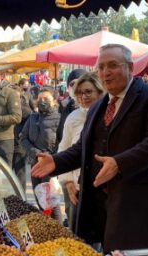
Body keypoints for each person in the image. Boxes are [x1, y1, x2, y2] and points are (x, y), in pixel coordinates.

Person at [31, 44, 148, 252]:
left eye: (113, 66)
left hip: (140, 205)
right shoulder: (98, 107)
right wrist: (56, 161)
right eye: (101, 67)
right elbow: (83, 147)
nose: (105, 73)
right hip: (103, 206)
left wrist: (119, 163)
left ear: (130, 67)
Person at [57, 72, 104, 232]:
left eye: (88, 91)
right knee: (78, 233)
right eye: (80, 93)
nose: (84, 96)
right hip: (76, 188)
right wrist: (68, 182)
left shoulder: (108, 116)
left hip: (102, 188)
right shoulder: (73, 118)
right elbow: (64, 149)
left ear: (99, 91)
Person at [20, 87, 61, 193]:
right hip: (34, 163)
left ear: (54, 101)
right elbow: (23, 138)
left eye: (46, 98)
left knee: (50, 200)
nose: (42, 101)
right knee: (38, 196)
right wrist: (37, 154)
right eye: (39, 99)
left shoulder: (59, 119)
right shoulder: (32, 117)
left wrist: (48, 157)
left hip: (51, 164)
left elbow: (62, 143)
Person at [13, 78, 37, 190]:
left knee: (20, 173)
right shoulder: (6, 109)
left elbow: (30, 128)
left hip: (19, 145)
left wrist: (22, 137)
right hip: (8, 144)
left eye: (16, 96)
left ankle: (20, 198)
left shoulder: (26, 110)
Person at [56, 69, 86, 150]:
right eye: (72, 84)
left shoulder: (95, 108)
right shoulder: (65, 107)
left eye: (79, 83)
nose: (76, 87)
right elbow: (61, 136)